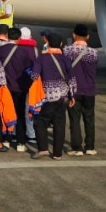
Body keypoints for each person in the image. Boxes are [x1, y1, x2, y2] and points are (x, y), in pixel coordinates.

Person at [29, 32, 77, 160]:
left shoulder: (42, 58)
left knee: (40, 122)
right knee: (59, 124)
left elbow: (34, 76)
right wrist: (72, 96)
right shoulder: (66, 59)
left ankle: (43, 149)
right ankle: (57, 154)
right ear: (61, 44)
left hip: (47, 97)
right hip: (62, 97)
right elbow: (72, 79)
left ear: (48, 43)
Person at [0, 27, 39, 151]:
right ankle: (20, 142)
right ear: (19, 38)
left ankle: (6, 139)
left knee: (5, 113)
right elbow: (29, 70)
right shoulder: (24, 53)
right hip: (20, 87)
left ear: (7, 36)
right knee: (20, 114)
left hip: (4, 87)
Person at [64, 24, 99, 156]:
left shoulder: (67, 51)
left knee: (74, 119)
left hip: (74, 90)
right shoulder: (94, 53)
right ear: (88, 37)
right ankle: (90, 146)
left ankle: (77, 147)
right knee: (89, 119)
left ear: (74, 35)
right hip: (90, 89)